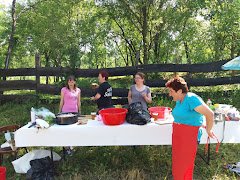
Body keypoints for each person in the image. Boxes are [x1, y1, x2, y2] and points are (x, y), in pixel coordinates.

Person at [165, 76, 214, 180]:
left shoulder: (191, 99)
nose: (169, 94)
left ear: (179, 91)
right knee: (178, 162)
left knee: (185, 164)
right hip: (178, 134)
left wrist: (209, 130)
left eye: (171, 91)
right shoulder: (179, 100)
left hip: (189, 136)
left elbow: (210, 114)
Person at [59, 75, 81, 155]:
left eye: (72, 81)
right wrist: (60, 111)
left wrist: (79, 112)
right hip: (65, 112)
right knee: (66, 130)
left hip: (74, 112)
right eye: (69, 81)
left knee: (74, 130)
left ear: (75, 82)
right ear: (67, 82)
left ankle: (71, 147)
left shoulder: (78, 90)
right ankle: (66, 147)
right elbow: (61, 101)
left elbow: (78, 102)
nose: (71, 83)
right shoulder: (64, 90)